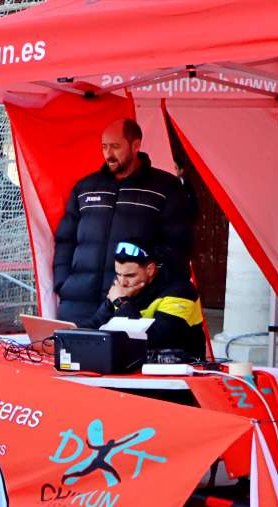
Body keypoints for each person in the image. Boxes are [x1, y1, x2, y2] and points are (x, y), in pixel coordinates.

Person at [53, 118, 192, 324]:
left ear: (136, 145)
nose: (108, 154)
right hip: (77, 306)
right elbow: (65, 240)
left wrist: (143, 289)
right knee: (67, 356)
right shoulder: (85, 187)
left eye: (115, 146)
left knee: (121, 356)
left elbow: (178, 248)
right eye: (104, 147)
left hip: (130, 307)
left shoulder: (165, 188)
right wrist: (63, 284)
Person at [76, 240, 205, 358]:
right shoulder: (125, 285)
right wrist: (70, 332)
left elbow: (157, 340)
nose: (122, 282)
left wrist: (121, 303)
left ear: (150, 269)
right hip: (136, 363)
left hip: (181, 367)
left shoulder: (180, 290)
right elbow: (98, 321)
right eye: (118, 274)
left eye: (130, 275)